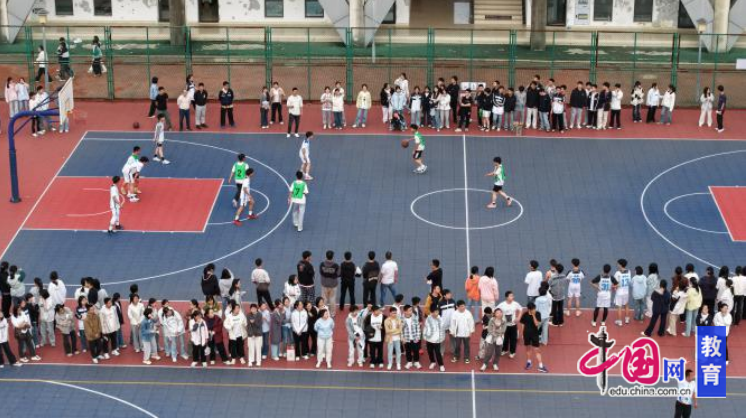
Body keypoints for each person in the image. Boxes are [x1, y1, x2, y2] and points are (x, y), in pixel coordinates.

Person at [521, 302, 548, 373]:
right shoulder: (525, 314)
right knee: (528, 349)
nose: (535, 310)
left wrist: (533, 315)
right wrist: (522, 334)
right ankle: (529, 362)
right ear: (529, 309)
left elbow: (537, 324)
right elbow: (523, 324)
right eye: (533, 309)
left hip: (534, 334)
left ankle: (541, 366)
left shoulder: (537, 314)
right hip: (526, 334)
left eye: (535, 308)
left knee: (537, 350)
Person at [496, 291, 521, 358]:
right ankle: (504, 350)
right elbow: (495, 311)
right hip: (504, 325)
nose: (513, 297)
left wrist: (518, 317)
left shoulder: (515, 304)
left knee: (513, 339)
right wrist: (499, 318)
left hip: (513, 325)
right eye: (511, 296)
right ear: (507, 297)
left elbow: (521, 309)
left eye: (513, 296)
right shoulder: (502, 305)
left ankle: (512, 352)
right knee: (505, 338)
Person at [319, 251, 340, 317]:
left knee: (324, 299)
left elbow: (321, 272)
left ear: (326, 256)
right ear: (332, 257)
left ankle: (323, 312)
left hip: (324, 285)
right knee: (332, 299)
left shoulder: (322, 264)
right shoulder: (336, 266)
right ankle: (332, 313)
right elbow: (339, 274)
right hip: (333, 286)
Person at [613, 259, 632, 326]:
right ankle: (627, 319)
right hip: (626, 292)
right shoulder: (629, 271)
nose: (617, 265)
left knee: (619, 307)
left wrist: (613, 287)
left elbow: (615, 283)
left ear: (620, 265)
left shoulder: (617, 273)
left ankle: (619, 321)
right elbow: (629, 281)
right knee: (626, 305)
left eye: (618, 264)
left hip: (619, 292)